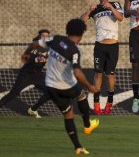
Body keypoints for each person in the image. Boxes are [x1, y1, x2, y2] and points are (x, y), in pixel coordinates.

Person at [27, 18, 99, 155]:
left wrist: (25, 53)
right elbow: (77, 73)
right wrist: (90, 86)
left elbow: (35, 44)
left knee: (68, 114)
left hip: (51, 87)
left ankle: (78, 147)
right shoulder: (74, 51)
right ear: (82, 33)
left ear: (68, 30)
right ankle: (87, 125)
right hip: (66, 86)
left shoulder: (55, 39)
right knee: (81, 95)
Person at [81, 0, 123, 115]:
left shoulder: (115, 4)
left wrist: (111, 7)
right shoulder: (96, 9)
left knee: (109, 74)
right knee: (98, 74)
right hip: (99, 45)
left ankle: (109, 102)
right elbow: (81, 21)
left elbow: (121, 18)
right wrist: (89, 11)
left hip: (113, 45)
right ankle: (96, 103)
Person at [0, 29, 51, 118]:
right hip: (26, 74)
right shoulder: (34, 45)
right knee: (13, 93)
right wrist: (37, 58)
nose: (45, 38)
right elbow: (28, 59)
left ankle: (33, 109)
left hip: (38, 75)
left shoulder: (49, 47)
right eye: (43, 36)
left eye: (47, 36)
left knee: (51, 92)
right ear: (39, 37)